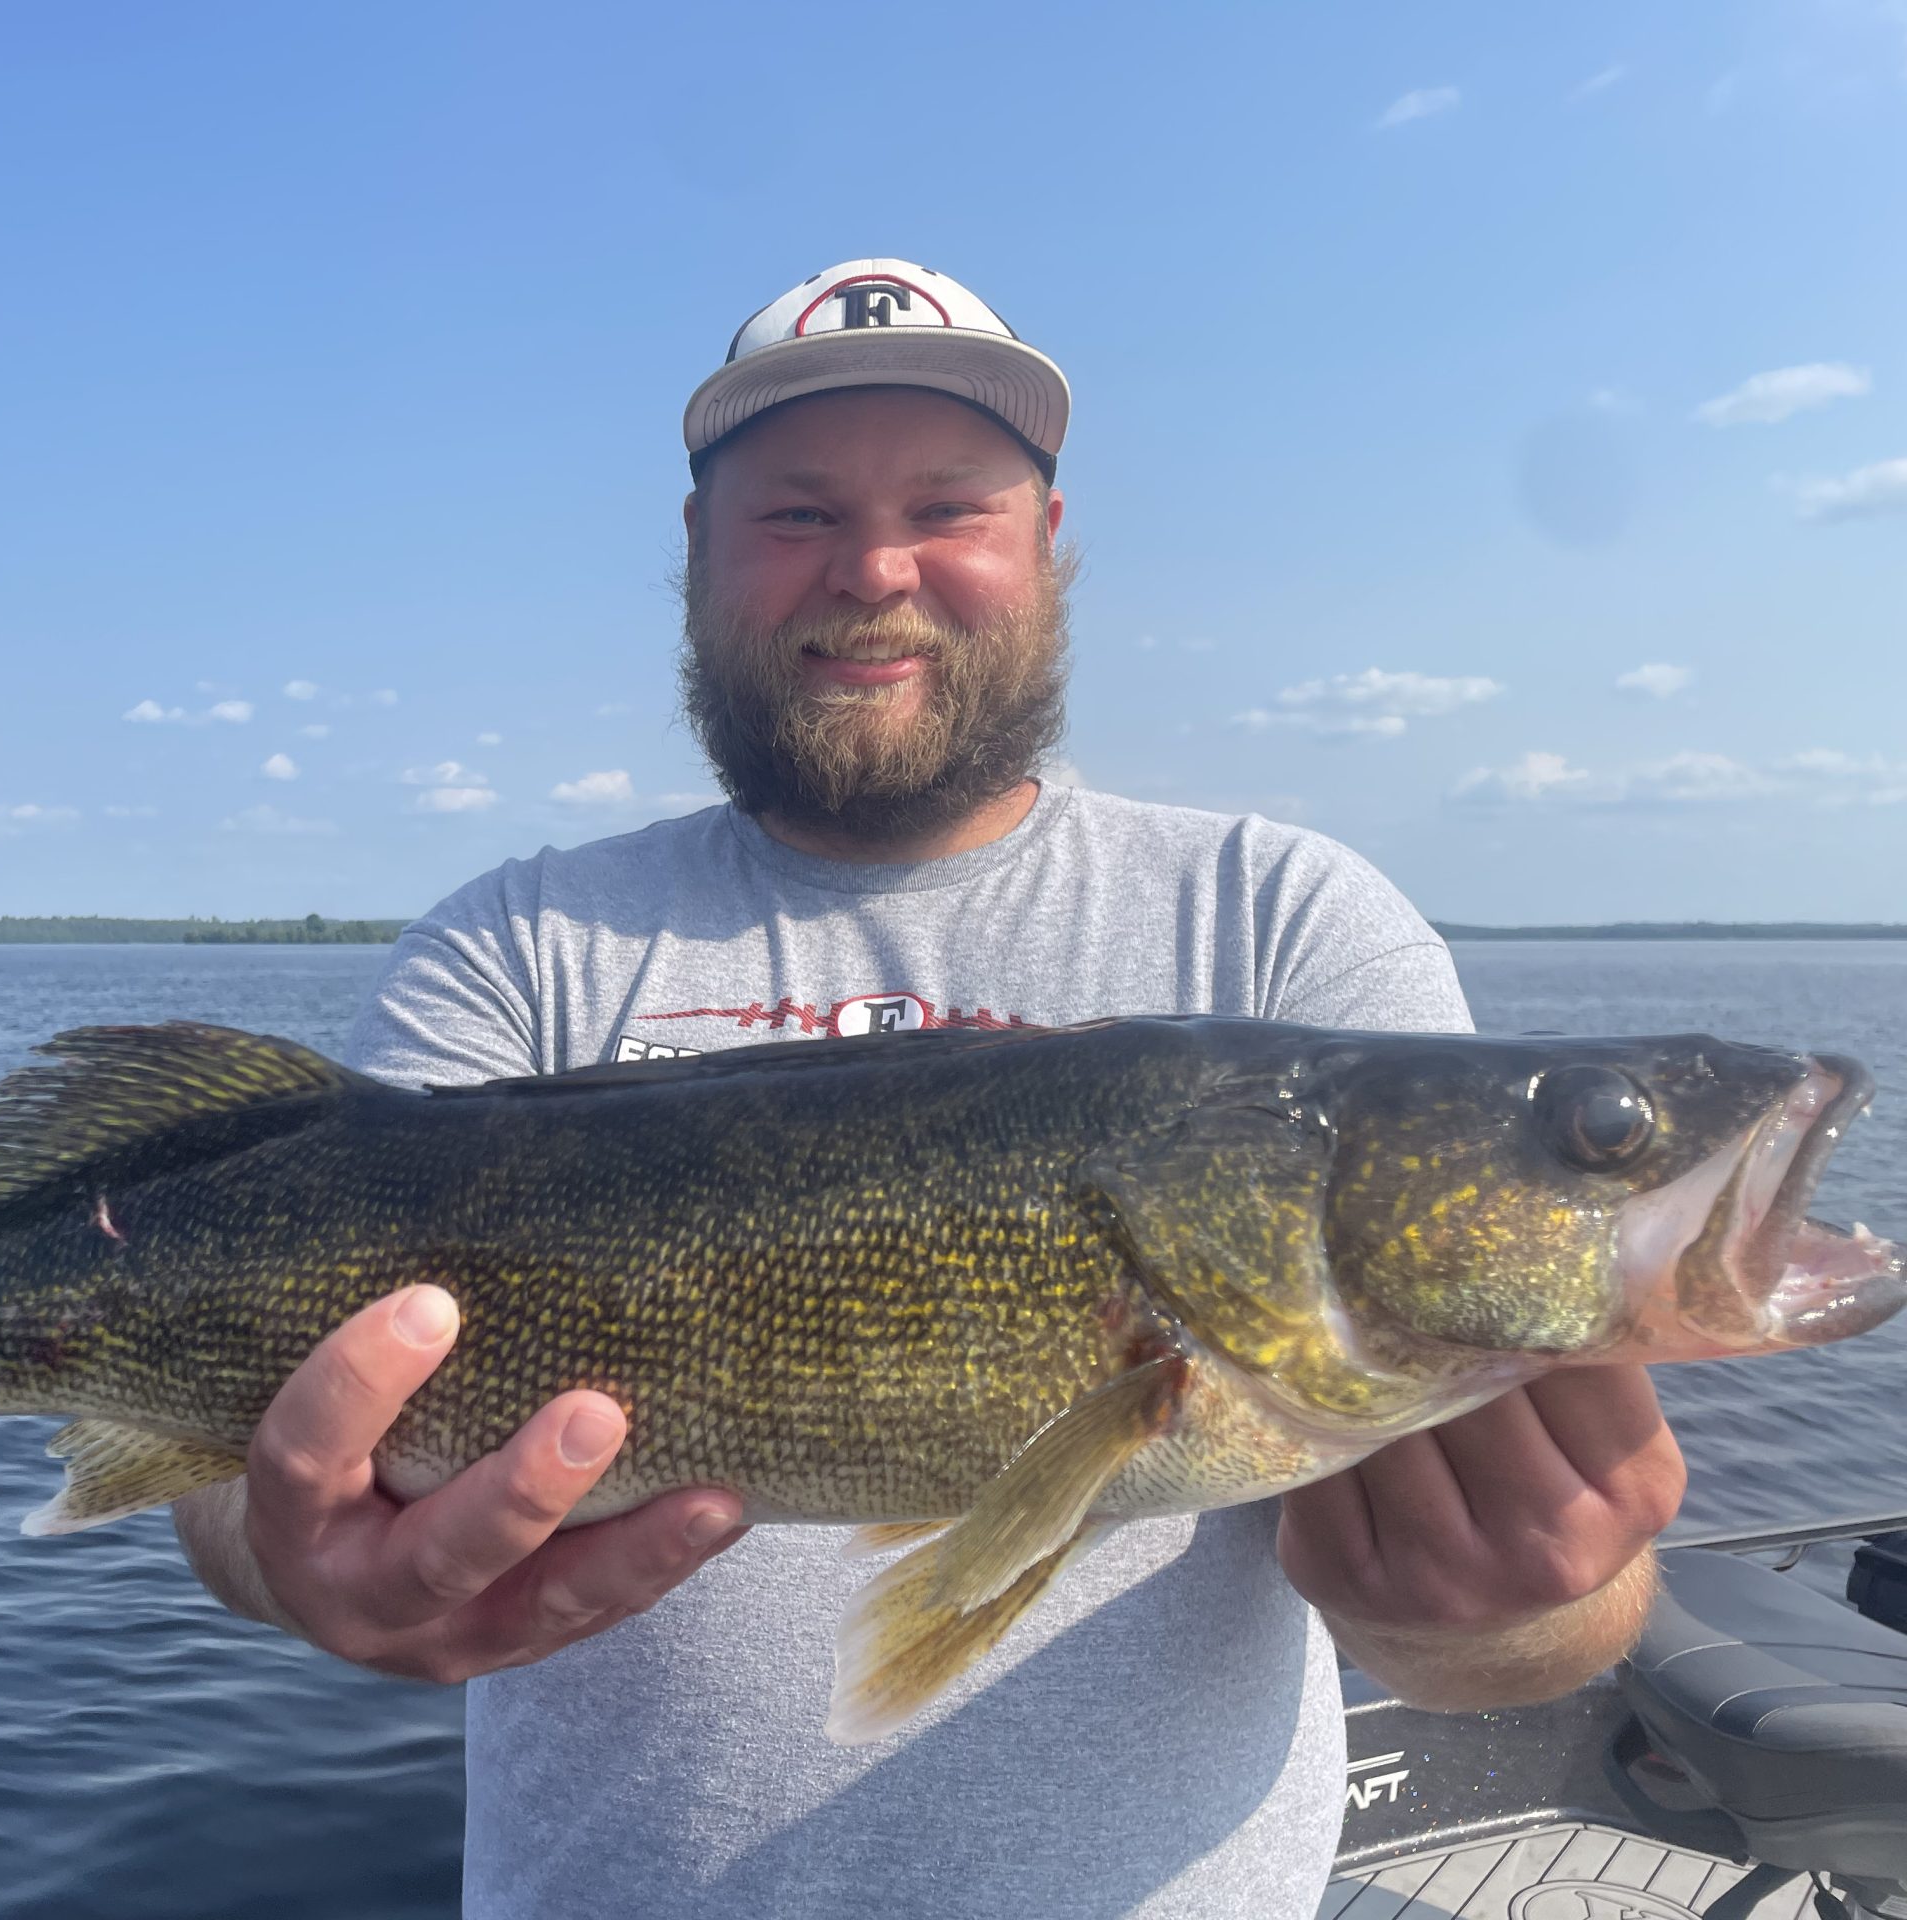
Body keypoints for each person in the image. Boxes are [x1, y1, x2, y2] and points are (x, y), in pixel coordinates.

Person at [174, 260, 1686, 1917]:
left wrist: (1511, 1600)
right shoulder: (517, 944)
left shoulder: (1286, 925)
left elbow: (1533, 1649)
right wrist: (296, 1557)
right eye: (798, 513)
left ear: (1048, 542)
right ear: (696, 558)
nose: (874, 570)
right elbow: (232, 1433)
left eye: (946, 508)